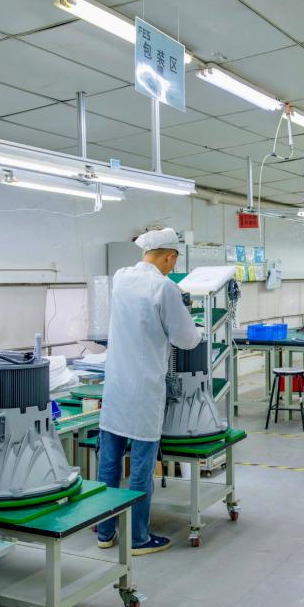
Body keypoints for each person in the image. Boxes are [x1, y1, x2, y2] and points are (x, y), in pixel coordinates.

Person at [97, 227, 201, 555]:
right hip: (143, 388)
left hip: (116, 384)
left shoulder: (121, 277)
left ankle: (105, 532)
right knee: (141, 467)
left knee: (109, 462)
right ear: (169, 257)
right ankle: (138, 537)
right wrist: (195, 325)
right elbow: (185, 339)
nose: (173, 267)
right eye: (174, 261)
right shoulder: (164, 287)